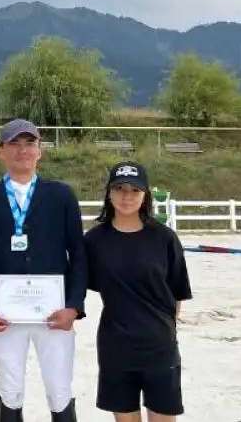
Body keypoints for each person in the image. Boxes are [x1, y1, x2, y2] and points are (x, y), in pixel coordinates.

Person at [0, 119, 86, 422]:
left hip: (55, 314)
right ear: (0, 152)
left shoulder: (61, 195)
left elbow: (79, 254)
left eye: (29, 143)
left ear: (40, 151)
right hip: (6, 316)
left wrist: (74, 306)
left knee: (59, 388)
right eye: (14, 144)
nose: (22, 150)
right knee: (10, 388)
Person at [85, 162, 192, 421]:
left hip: (159, 345)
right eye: (119, 188)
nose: (126, 196)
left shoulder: (165, 238)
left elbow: (177, 293)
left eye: (135, 190)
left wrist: (162, 329)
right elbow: (81, 284)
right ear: (108, 193)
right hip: (115, 345)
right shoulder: (94, 240)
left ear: (145, 195)